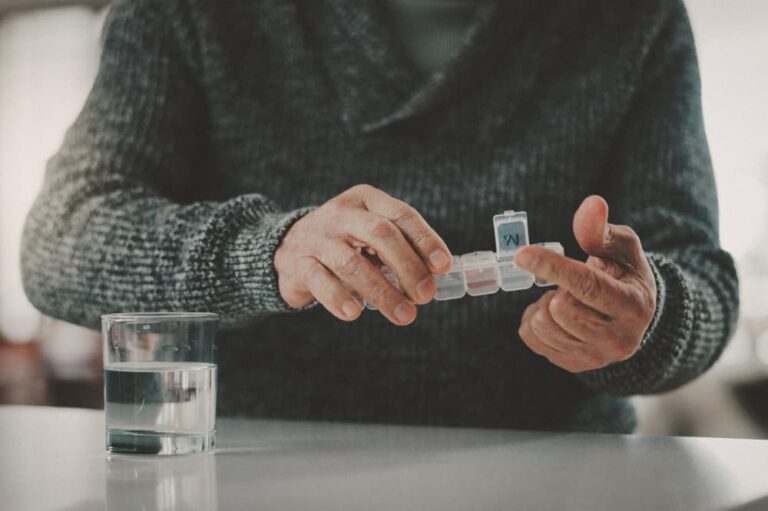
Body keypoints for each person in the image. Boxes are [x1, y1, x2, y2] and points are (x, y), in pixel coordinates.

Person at [21, 0, 738, 433]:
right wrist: (266, 253)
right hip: (256, 471)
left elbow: (702, 279)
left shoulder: (633, 18)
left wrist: (647, 319)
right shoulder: (191, 14)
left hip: (557, 470)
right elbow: (61, 239)